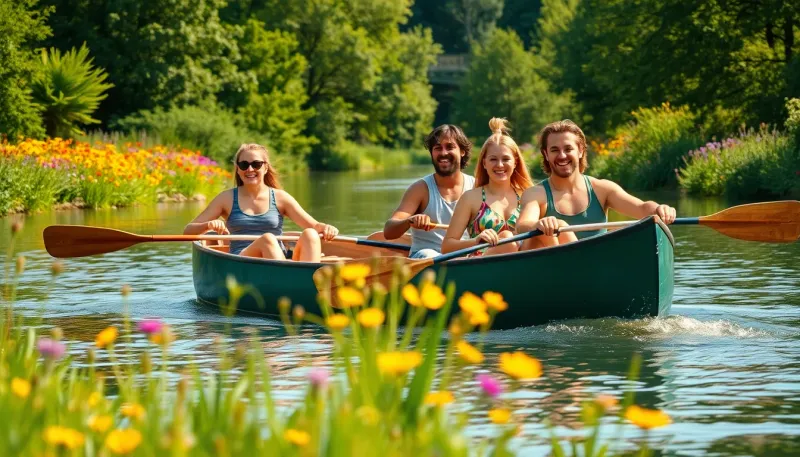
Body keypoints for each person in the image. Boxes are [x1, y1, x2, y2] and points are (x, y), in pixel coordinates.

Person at [516, 119, 676, 249]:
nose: (562, 155)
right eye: (555, 150)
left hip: (596, 266)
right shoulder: (535, 194)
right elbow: (523, 225)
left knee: (641, 229)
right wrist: (538, 224)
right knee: (544, 232)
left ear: (580, 151)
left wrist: (659, 209)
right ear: (546, 154)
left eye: (568, 148)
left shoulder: (602, 189)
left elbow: (642, 208)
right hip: (553, 270)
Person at [184, 143, 339, 261]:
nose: (250, 169)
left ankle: (307, 286)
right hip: (242, 261)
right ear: (238, 169)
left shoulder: (281, 198)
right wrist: (208, 225)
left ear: (265, 168)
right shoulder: (226, 198)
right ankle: (288, 284)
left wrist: (326, 228)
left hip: (278, 258)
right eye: (244, 165)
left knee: (311, 234)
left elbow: (314, 226)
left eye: (256, 164)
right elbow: (187, 232)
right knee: (267, 239)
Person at [441, 118, 534, 257]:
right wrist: (476, 241)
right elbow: (447, 247)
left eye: (506, 159)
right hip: (482, 266)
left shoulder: (529, 195)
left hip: (523, 264)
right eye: (493, 159)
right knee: (508, 238)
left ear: (515, 162)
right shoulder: (470, 198)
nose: (500, 165)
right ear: (484, 163)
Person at [383, 124, 476, 258]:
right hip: (426, 257)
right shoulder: (420, 189)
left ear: (462, 151)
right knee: (429, 254)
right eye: (438, 148)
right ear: (432, 153)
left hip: (465, 257)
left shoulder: (476, 186)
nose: (443, 153)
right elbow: (389, 231)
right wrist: (410, 220)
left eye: (450, 147)